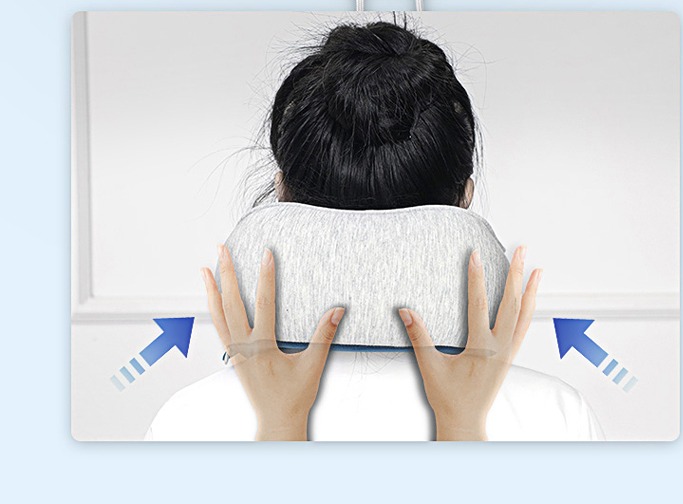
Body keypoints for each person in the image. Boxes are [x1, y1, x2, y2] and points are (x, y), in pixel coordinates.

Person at [146, 20, 604, 441]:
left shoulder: (189, 421)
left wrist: (280, 427)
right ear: (464, 195)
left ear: (282, 190)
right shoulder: (557, 418)